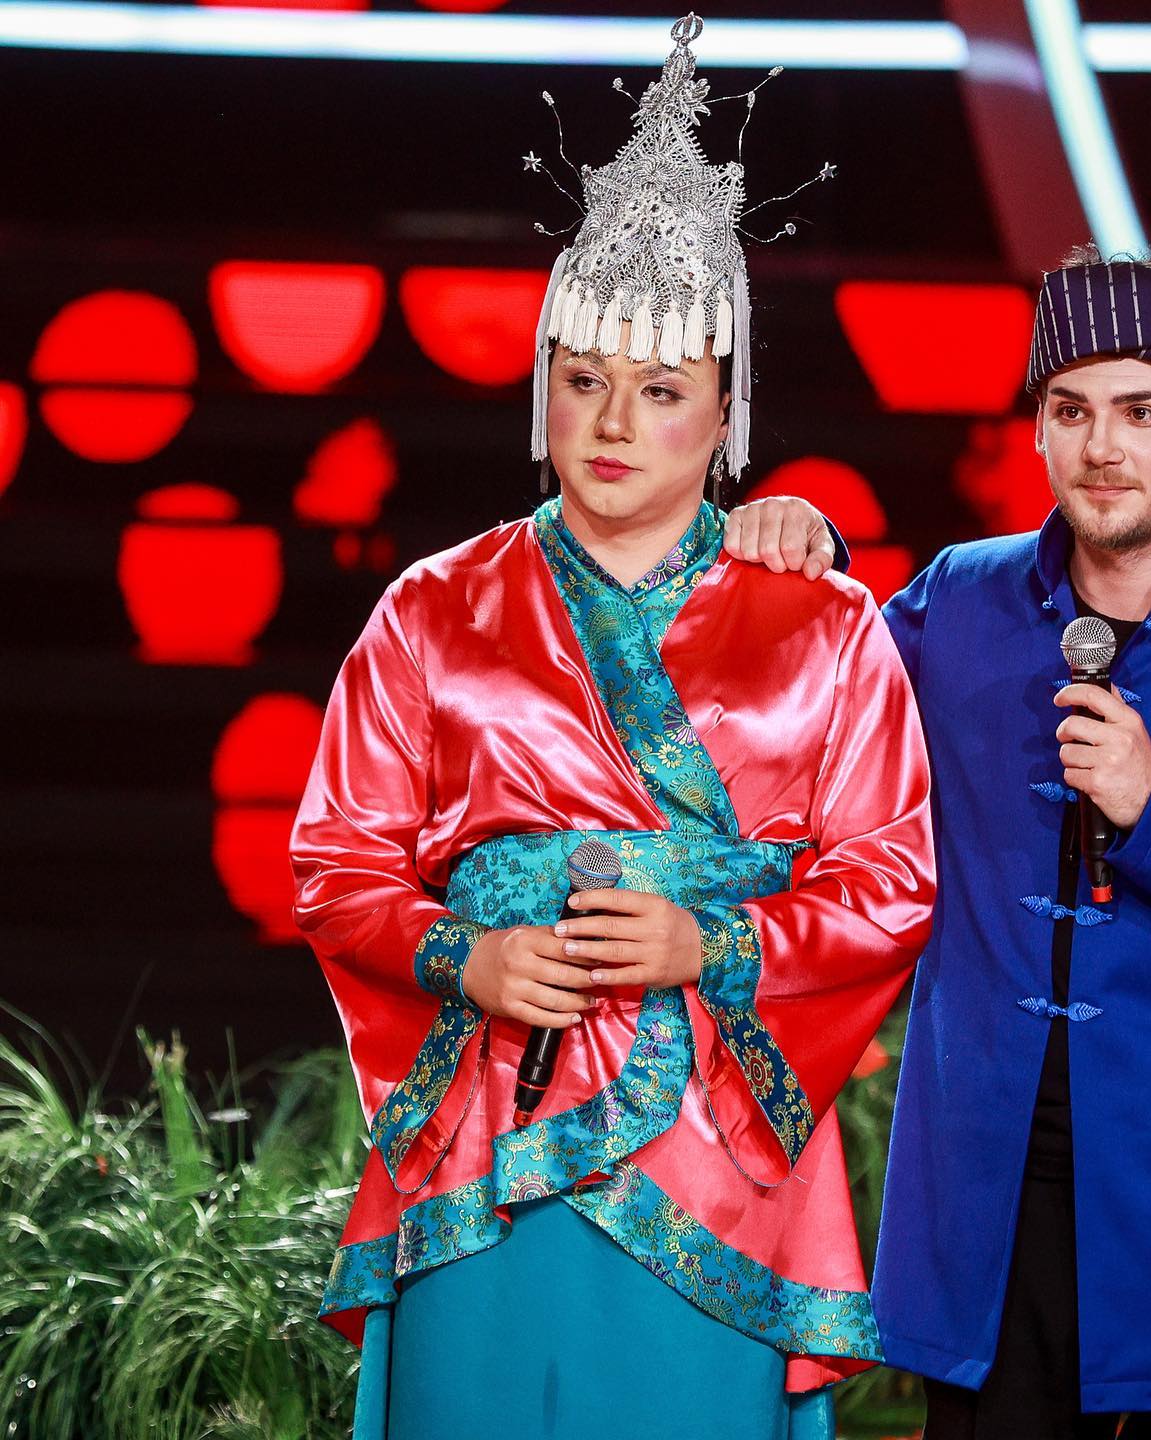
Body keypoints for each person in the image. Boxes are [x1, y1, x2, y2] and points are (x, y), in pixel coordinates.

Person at [289, 16, 934, 1440]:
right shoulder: (430, 607)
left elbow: (891, 885)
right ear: (543, 385)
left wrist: (709, 944)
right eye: (584, 380)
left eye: (661, 391)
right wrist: (468, 956)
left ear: (728, 411)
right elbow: (338, 866)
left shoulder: (828, 622)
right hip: (484, 1133)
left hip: (715, 1147)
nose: (614, 425)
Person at [724, 245, 1151, 1439]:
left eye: (1142, 412)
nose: (1101, 447)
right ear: (1036, 428)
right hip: (985, 1219)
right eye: (1071, 410)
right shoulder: (954, 599)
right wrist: (799, 550)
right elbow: (787, 739)